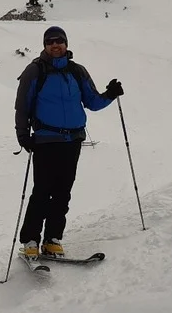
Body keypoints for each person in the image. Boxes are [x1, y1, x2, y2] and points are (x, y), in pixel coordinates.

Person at [14, 25, 123, 260]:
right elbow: (22, 106)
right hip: (45, 140)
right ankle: (30, 240)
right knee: (42, 191)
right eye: (50, 42)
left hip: (73, 140)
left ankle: (52, 239)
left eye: (59, 41)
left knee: (63, 192)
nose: (55, 45)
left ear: (66, 44)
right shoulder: (35, 71)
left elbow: (92, 101)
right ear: (45, 46)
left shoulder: (77, 71)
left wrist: (110, 94)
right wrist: (23, 135)